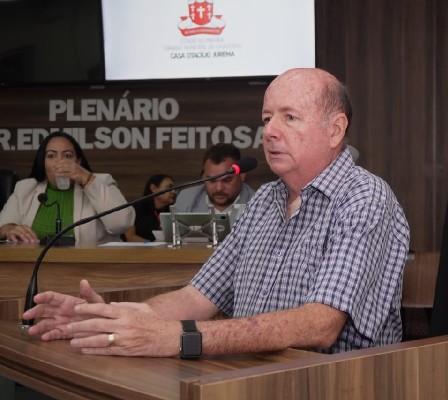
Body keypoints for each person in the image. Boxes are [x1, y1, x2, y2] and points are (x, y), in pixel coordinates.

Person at [22, 68, 410, 358]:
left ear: (335, 130)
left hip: (330, 383)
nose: (270, 131)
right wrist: (108, 316)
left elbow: (320, 324)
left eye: (289, 117)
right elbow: (198, 296)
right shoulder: (265, 200)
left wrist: (179, 338)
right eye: (267, 118)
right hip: (248, 375)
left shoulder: (364, 198)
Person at [0, 131, 134, 246]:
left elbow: (121, 223)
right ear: (43, 163)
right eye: (51, 156)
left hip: (89, 265)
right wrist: (9, 229)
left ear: (78, 161)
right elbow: (3, 226)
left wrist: (86, 178)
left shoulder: (100, 182)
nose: (60, 162)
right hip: (34, 265)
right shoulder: (25, 188)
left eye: (68, 156)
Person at [175, 143, 255, 225]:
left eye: (226, 180)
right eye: (212, 180)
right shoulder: (186, 199)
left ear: (242, 175)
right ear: (203, 177)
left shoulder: (257, 204)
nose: (219, 188)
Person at [122, 174, 177, 242]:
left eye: (174, 188)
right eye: (169, 187)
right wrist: (150, 244)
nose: (173, 192)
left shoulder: (171, 210)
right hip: (139, 248)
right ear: (153, 188)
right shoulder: (135, 208)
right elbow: (130, 237)